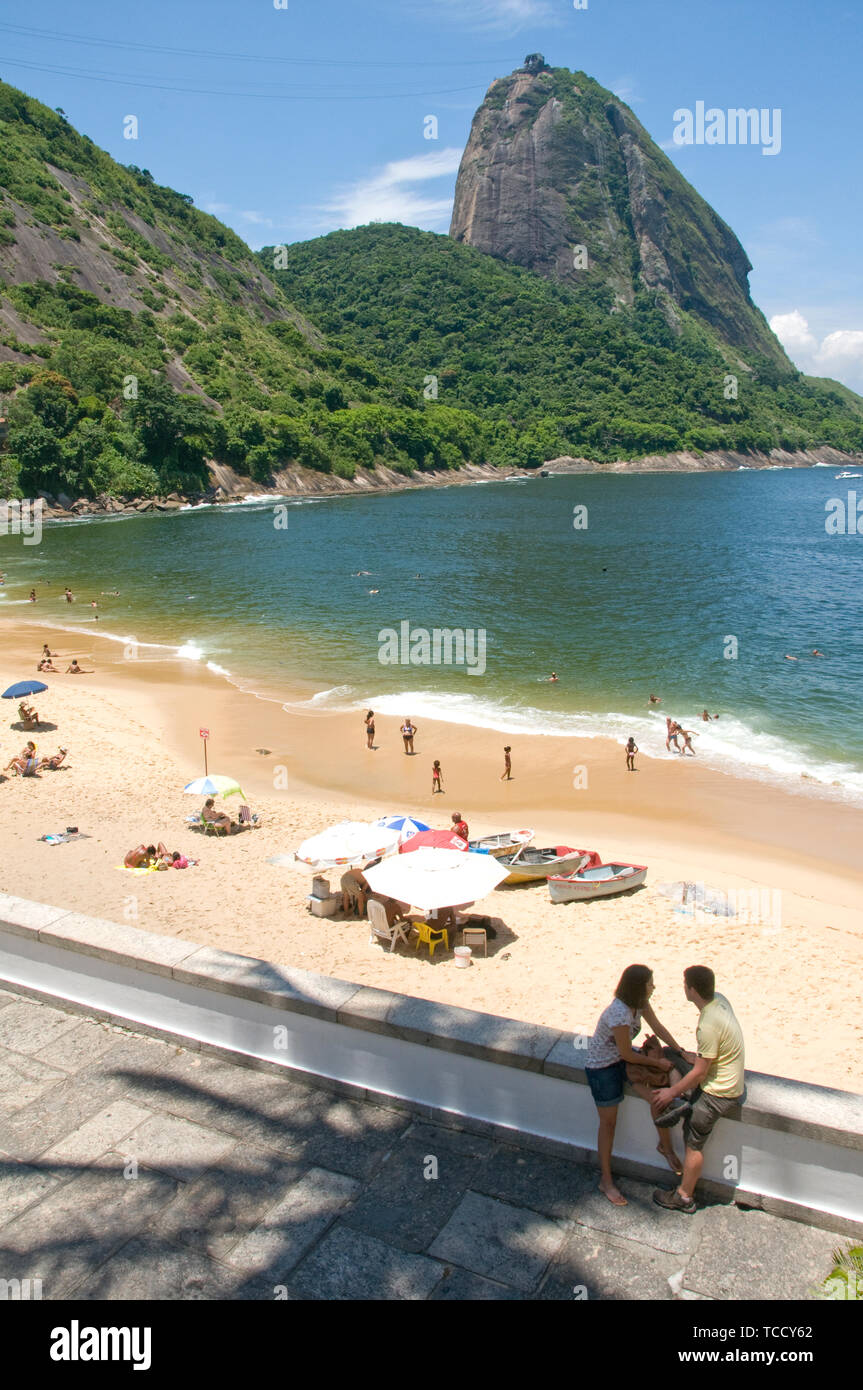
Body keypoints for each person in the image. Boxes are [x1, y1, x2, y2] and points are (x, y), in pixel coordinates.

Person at [584, 964, 691, 1207]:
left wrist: (679, 1051)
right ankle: (606, 1181)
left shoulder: (639, 1003)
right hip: (603, 1068)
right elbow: (628, 1054)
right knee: (608, 1124)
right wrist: (661, 1065)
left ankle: (666, 1148)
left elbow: (658, 1027)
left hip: (622, 1060)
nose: (654, 986)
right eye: (650, 983)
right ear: (638, 987)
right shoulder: (619, 1014)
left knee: (658, 1099)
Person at [652, 965, 745, 1214]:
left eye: (685, 984)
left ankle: (684, 1197)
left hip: (719, 1092)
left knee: (693, 1140)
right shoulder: (720, 1001)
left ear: (692, 989)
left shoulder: (707, 1025)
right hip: (727, 1078)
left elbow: (700, 1073)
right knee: (673, 1054)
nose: (684, 988)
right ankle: (686, 1102)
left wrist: (670, 1093)